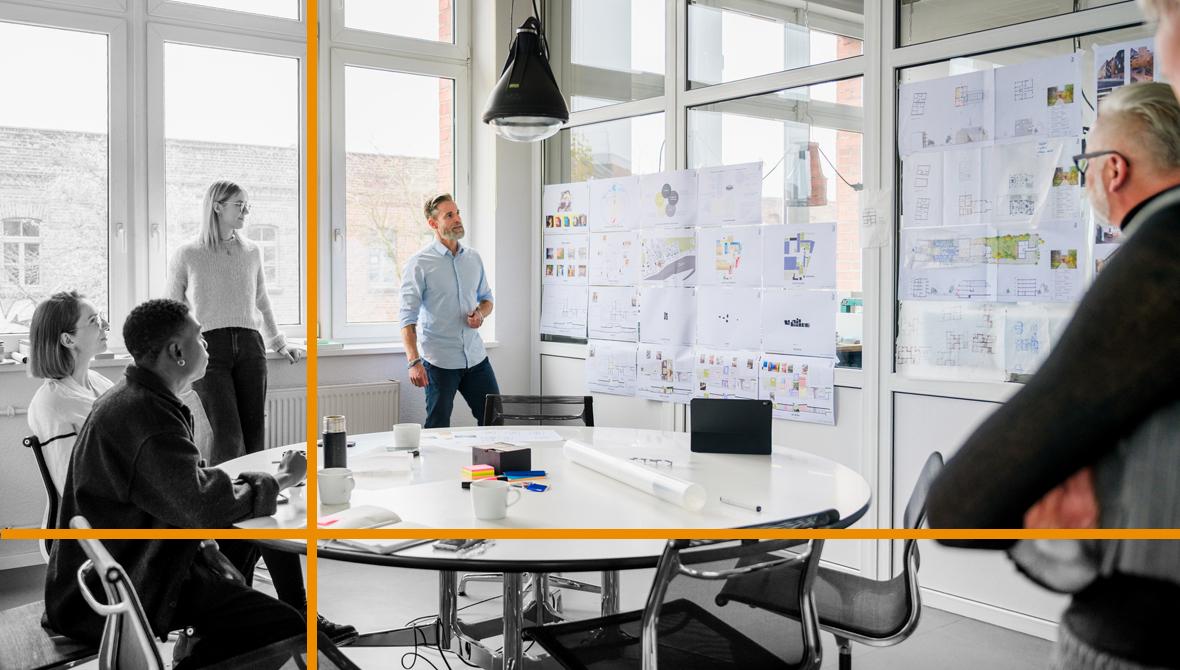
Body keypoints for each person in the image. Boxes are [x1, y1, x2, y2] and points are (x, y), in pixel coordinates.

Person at [927, 82, 1180, 669]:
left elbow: (961, 504)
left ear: (1112, 170)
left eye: (1084, 161)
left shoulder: (1159, 257)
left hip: (1141, 636)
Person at [44, 298, 308, 669]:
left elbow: (183, 491)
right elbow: (201, 505)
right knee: (284, 625)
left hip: (135, 559)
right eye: (200, 337)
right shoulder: (145, 416)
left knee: (244, 539)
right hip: (135, 579)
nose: (207, 345)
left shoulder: (140, 398)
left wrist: (207, 545)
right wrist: (281, 479)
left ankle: (208, 635)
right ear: (176, 351)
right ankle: (199, 653)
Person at [167, 180, 354, 644]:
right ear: (216, 207)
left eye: (247, 206)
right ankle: (235, 590)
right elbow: (172, 306)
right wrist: (173, 352)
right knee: (229, 445)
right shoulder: (188, 252)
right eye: (238, 206)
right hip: (208, 348)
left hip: (248, 346)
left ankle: (272, 602)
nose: (245, 212)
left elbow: (264, 300)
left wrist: (276, 341)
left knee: (256, 450)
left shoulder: (250, 252)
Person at [400, 193, 500, 428]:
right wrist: (413, 362)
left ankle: (490, 465)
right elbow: (407, 319)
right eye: (449, 215)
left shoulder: (473, 258)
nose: (457, 219)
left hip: (475, 358)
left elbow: (487, 299)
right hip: (440, 362)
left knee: (495, 420)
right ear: (433, 224)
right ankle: (433, 466)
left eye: (457, 213)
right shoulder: (419, 263)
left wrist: (480, 314)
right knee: (437, 426)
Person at [26, 292, 114, 497]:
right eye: (94, 321)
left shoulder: (98, 382)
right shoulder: (51, 403)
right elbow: (75, 489)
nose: (106, 325)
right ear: (67, 339)